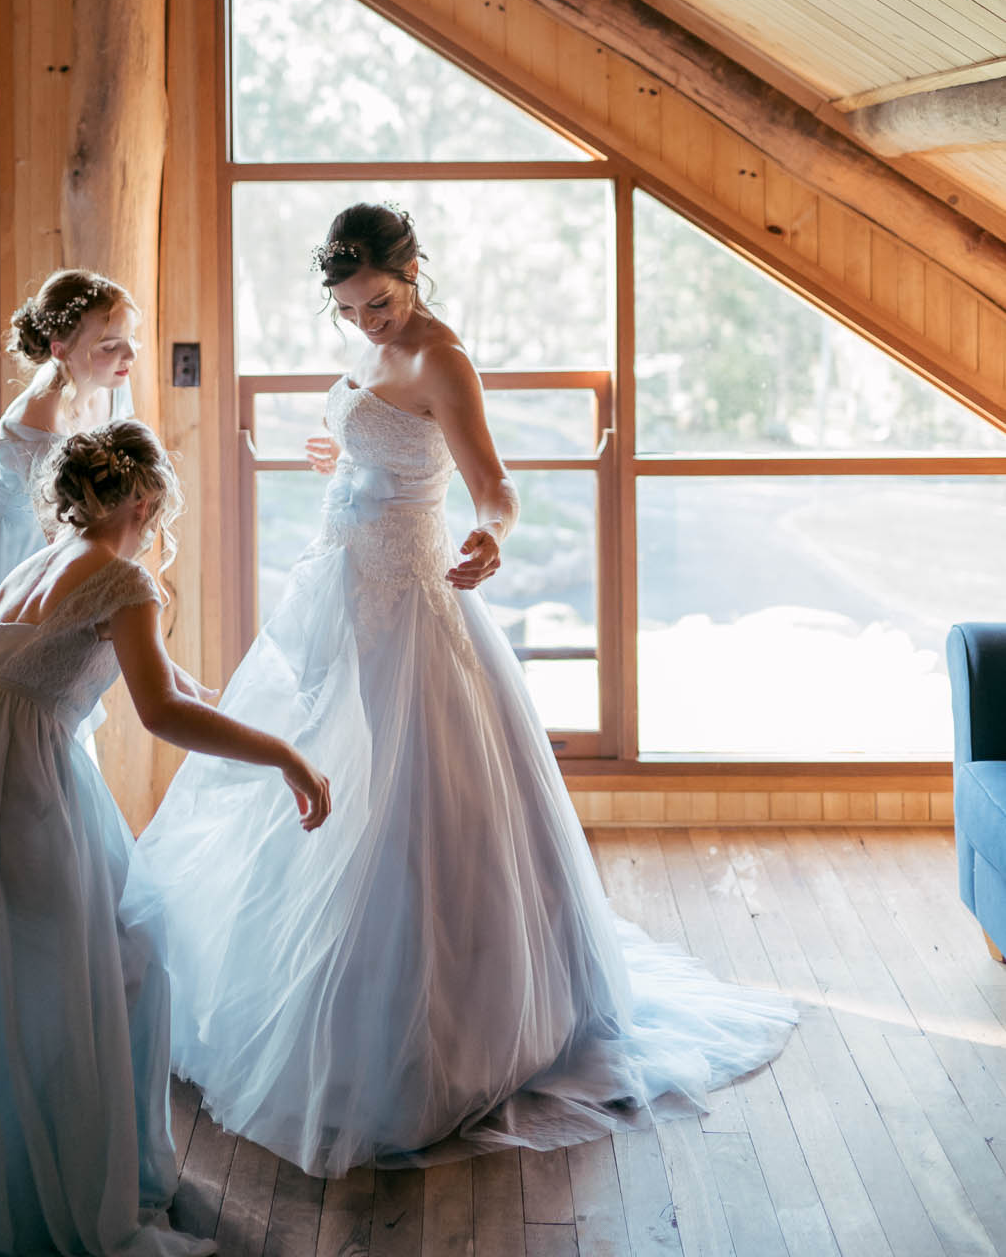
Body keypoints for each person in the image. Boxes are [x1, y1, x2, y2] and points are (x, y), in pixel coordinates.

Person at [128, 201, 795, 1179]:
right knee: (308, 778)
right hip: (334, 587)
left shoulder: (442, 354)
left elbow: (494, 482)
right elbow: (374, 432)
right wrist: (342, 451)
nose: (368, 324)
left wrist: (490, 533)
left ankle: (429, 1031)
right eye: (350, 310)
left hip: (409, 596)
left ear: (413, 271)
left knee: (403, 797)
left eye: (381, 301)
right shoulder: (367, 342)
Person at [0, 419, 331, 1257]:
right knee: (103, 964)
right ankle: (54, 1186)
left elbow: (174, 682)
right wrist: (284, 758)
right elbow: (164, 712)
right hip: (3, 784)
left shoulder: (47, 559)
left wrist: (255, 714)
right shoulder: (123, 582)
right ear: (145, 499)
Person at [0, 268, 139, 704]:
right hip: (0, 544)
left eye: (131, 338)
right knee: (6, 684)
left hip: (52, 533)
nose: (129, 354)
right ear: (60, 350)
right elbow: (62, 524)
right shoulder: (40, 419)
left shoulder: (112, 385)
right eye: (109, 345)